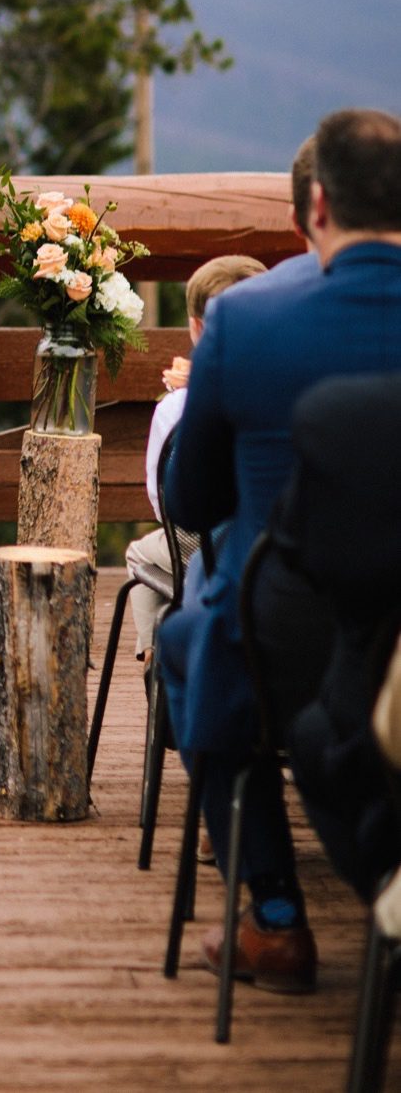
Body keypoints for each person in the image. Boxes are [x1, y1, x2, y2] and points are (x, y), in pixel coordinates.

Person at [160, 108, 401, 995]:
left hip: (284, 647)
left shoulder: (249, 321)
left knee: (189, 647)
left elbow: (192, 500)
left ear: (317, 207)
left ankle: (274, 915)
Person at [273, 370, 401, 902]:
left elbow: (296, 549)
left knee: (316, 735)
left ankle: (378, 899)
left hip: (375, 714)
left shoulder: (343, 414)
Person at [124, 254, 266, 659]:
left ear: (196, 326)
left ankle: (155, 661)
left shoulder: (177, 409)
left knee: (142, 554)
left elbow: (163, 503)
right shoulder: (289, 390)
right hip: (279, 548)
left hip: (208, 553)